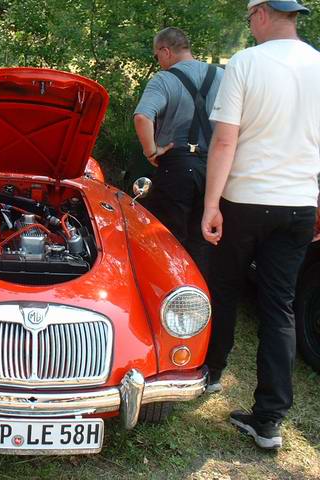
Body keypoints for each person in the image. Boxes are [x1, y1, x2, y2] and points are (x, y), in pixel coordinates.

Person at [201, 0, 320, 450]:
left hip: (246, 200)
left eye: (249, 17)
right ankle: (269, 420)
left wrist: (211, 203)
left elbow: (225, 139)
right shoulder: (319, 64)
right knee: (279, 307)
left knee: (225, 288)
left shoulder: (247, 63)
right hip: (299, 205)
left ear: (264, 12)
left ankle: (211, 373)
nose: (249, 25)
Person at [134, 27, 224, 279]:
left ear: (165, 51)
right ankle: (198, 295)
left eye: (156, 56)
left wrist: (151, 150)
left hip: (176, 167)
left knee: (169, 236)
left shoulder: (164, 80)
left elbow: (142, 116)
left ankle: (169, 290)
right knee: (202, 238)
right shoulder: (221, 76)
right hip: (214, 167)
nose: (158, 61)